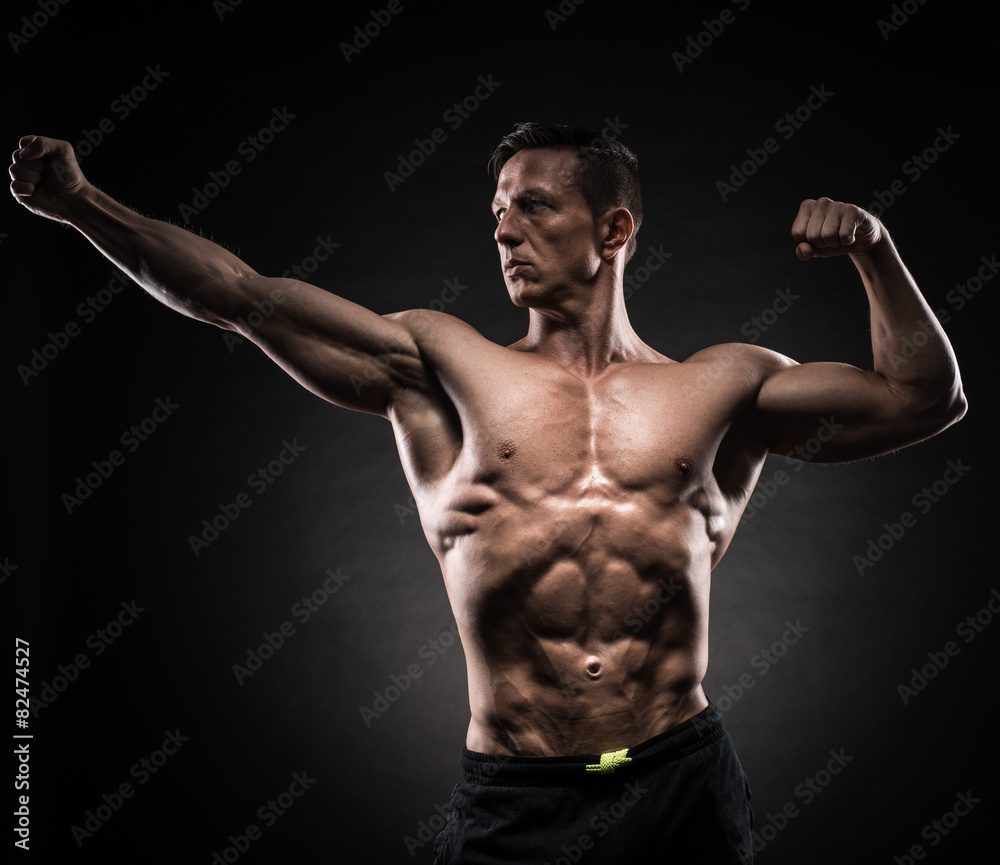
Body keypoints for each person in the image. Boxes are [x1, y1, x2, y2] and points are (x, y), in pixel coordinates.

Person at [9, 123, 966, 863]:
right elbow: (236, 290)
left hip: (681, 783)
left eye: (537, 206)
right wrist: (85, 203)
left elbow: (926, 400)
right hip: (514, 798)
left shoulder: (725, 387)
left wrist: (876, 250)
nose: (504, 227)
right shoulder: (436, 366)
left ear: (615, 229)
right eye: (498, 209)